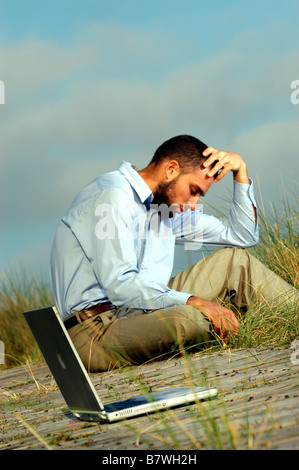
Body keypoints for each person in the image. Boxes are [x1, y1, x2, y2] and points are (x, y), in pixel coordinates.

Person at [50, 135, 296, 372]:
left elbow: (242, 235)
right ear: (171, 169)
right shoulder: (112, 196)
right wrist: (193, 300)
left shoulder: (164, 209)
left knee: (235, 262)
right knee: (189, 320)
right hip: (96, 331)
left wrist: (240, 169)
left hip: (140, 312)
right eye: (193, 190)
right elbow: (120, 284)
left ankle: (294, 318)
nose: (193, 204)